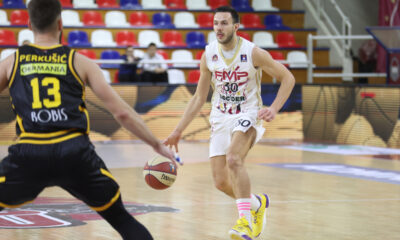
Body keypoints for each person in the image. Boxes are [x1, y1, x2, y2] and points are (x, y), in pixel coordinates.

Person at [0, 0, 175, 239]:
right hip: (74, 152)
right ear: (60, 23)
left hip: (30, 152)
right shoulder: (80, 62)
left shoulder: (12, 62)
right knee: (121, 219)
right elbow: (122, 113)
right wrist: (155, 143)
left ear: (29, 24)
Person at [164, 6, 295, 240]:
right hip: (220, 117)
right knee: (221, 182)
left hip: (248, 113)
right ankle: (257, 203)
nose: (219, 28)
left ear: (236, 26)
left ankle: (244, 222)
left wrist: (274, 108)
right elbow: (198, 97)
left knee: (234, 158)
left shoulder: (253, 53)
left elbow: (288, 78)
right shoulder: (208, 54)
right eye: (215, 23)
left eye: (224, 23)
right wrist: (177, 130)